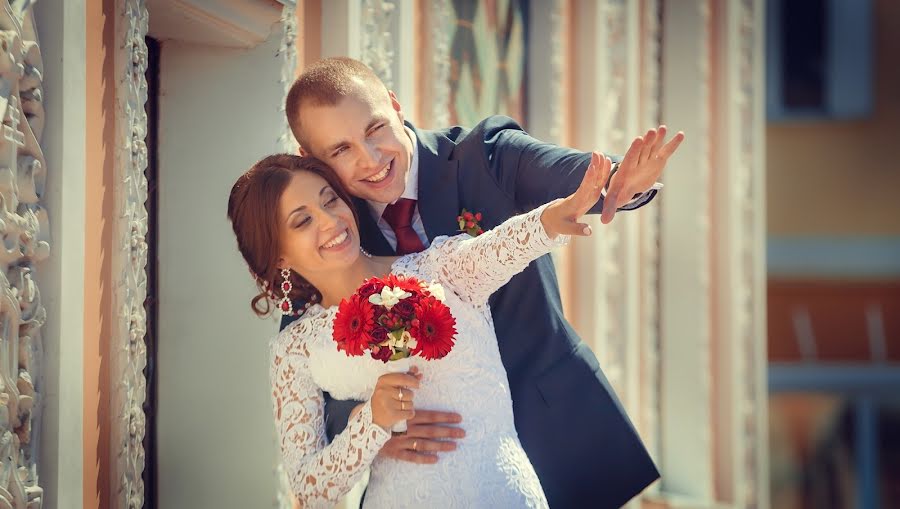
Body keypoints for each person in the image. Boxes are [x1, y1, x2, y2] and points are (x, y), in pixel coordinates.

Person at [281, 57, 684, 508]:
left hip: (557, 431)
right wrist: (369, 423)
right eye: (340, 150)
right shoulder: (332, 232)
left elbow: (575, 179)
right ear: (312, 160)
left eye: (375, 129)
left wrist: (619, 182)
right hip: (430, 471)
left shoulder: (485, 155)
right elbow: (313, 359)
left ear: (395, 106)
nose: (370, 160)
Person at [229, 151, 619, 507]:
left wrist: (556, 216)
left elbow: (500, 247)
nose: (331, 220)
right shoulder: (294, 349)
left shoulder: (435, 269)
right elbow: (310, 489)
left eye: (330, 199)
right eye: (303, 220)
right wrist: (371, 424)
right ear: (278, 254)